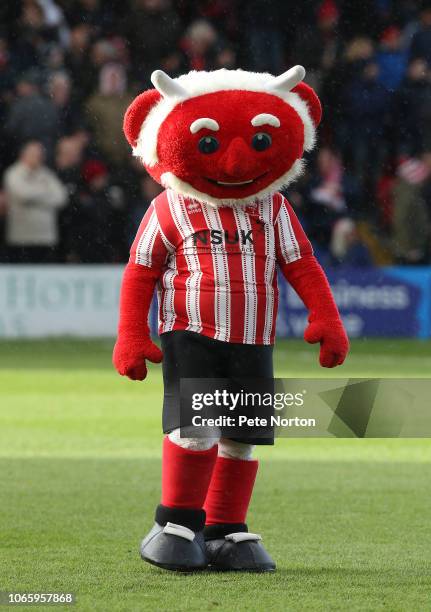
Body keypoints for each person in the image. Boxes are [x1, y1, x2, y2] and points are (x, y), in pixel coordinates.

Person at [113, 65, 349, 572]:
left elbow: (302, 263)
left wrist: (326, 318)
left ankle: (225, 528)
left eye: (260, 139)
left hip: (253, 335)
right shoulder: (168, 208)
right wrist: (131, 334)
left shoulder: (275, 208)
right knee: (196, 427)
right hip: (190, 331)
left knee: (243, 433)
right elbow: (140, 272)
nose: (238, 159)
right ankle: (176, 522)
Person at [3, 141, 67, 262]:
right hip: (22, 237)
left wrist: (34, 196)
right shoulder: (13, 173)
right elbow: (23, 195)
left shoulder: (47, 174)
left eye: (40, 154)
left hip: (46, 238)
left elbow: (61, 197)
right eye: (34, 154)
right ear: (24, 155)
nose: (38, 157)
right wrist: (45, 192)